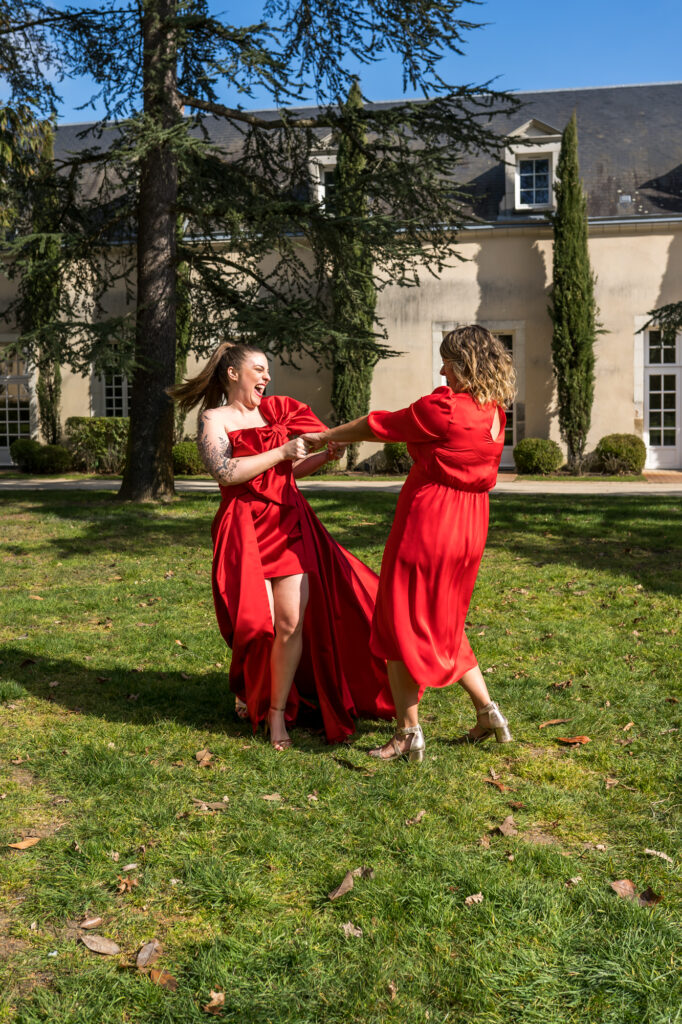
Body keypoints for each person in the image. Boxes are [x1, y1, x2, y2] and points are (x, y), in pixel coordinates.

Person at [302, 324, 515, 761]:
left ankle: (408, 733)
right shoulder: (496, 411)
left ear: (465, 363)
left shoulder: (446, 407)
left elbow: (381, 425)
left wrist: (327, 436)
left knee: (396, 622)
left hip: (430, 522)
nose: (442, 370)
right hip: (471, 527)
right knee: (445, 619)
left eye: (448, 362)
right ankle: (488, 711)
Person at [169, 342, 393, 749]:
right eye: (259, 368)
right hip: (243, 527)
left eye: (268, 370)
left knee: (291, 625)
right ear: (233, 373)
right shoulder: (213, 419)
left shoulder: (273, 413)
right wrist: (282, 450)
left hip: (287, 522)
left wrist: (321, 457)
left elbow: (286, 473)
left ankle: (277, 716)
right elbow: (226, 471)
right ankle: (250, 690)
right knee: (257, 626)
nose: (266, 377)